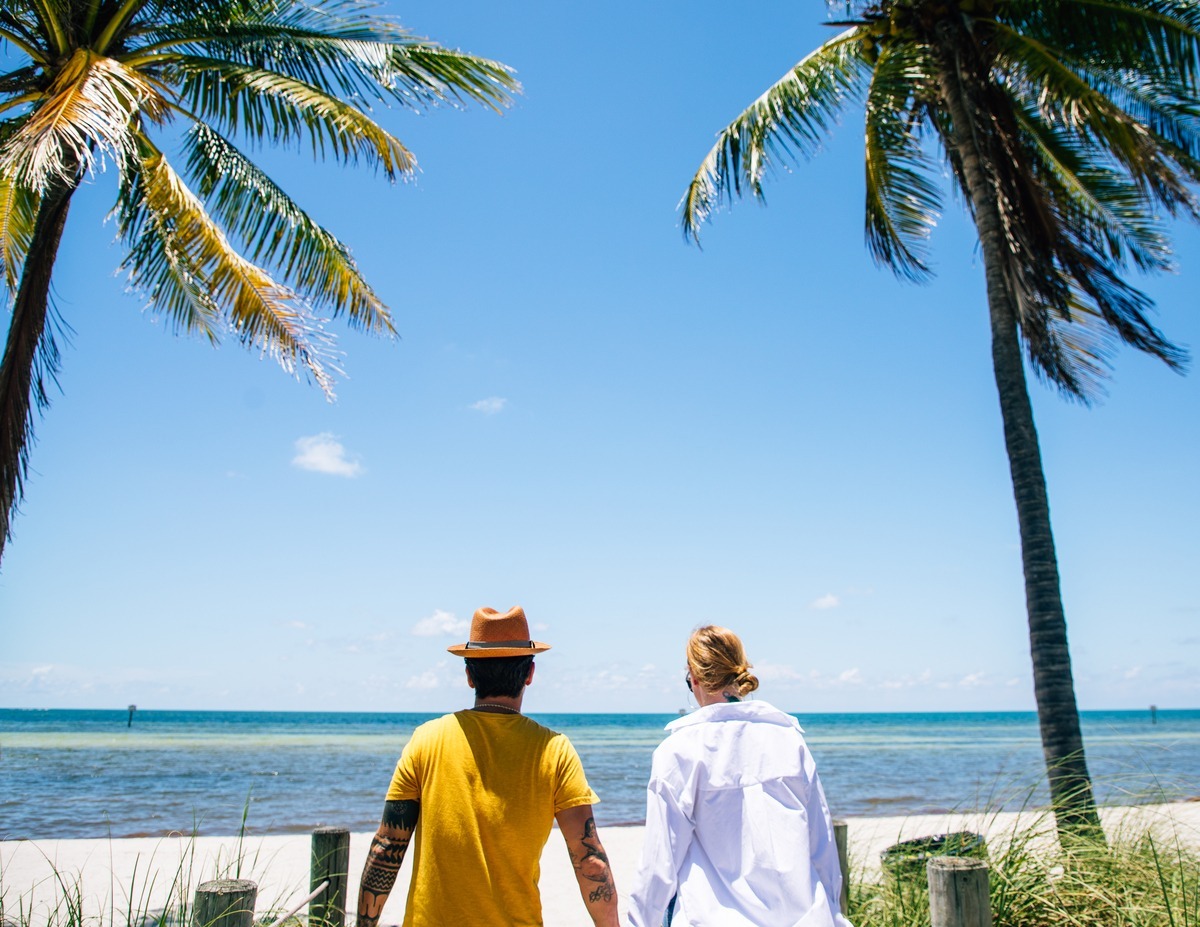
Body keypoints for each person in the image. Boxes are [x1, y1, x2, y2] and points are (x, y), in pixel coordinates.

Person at [355, 606, 619, 927]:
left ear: (469, 675)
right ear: (529, 673)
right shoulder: (554, 750)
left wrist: (365, 924)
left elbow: (386, 847)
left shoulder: (426, 740)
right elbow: (588, 858)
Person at [627, 625, 851, 927]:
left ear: (693, 678)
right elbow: (822, 849)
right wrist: (833, 915)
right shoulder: (789, 741)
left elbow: (659, 866)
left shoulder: (678, 751)